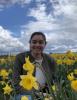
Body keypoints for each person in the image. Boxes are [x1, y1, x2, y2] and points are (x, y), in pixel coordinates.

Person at [12, 32, 56, 100]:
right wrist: (36, 95)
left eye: (41, 42)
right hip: (25, 94)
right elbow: (16, 83)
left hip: (45, 93)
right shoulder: (20, 58)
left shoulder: (50, 60)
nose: (37, 45)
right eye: (34, 42)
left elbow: (54, 80)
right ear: (30, 43)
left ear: (45, 44)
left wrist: (50, 93)